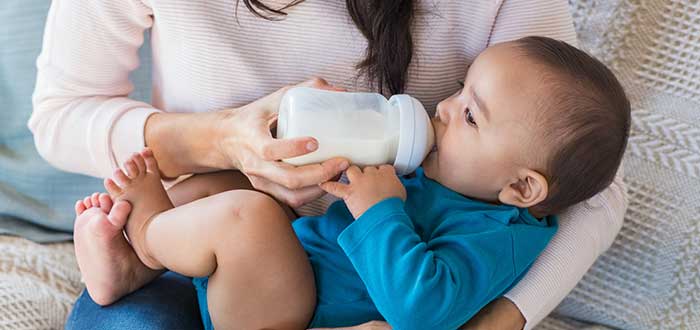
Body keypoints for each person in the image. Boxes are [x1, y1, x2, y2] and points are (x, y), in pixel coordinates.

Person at [30, 1, 628, 329]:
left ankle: (146, 240)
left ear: (521, 187)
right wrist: (219, 138)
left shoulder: (489, 211)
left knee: (244, 218)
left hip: (284, 297)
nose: (441, 108)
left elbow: (590, 187)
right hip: (272, 262)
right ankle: (137, 261)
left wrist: (499, 322)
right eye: (459, 92)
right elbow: (59, 114)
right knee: (222, 188)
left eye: (469, 112)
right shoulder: (452, 182)